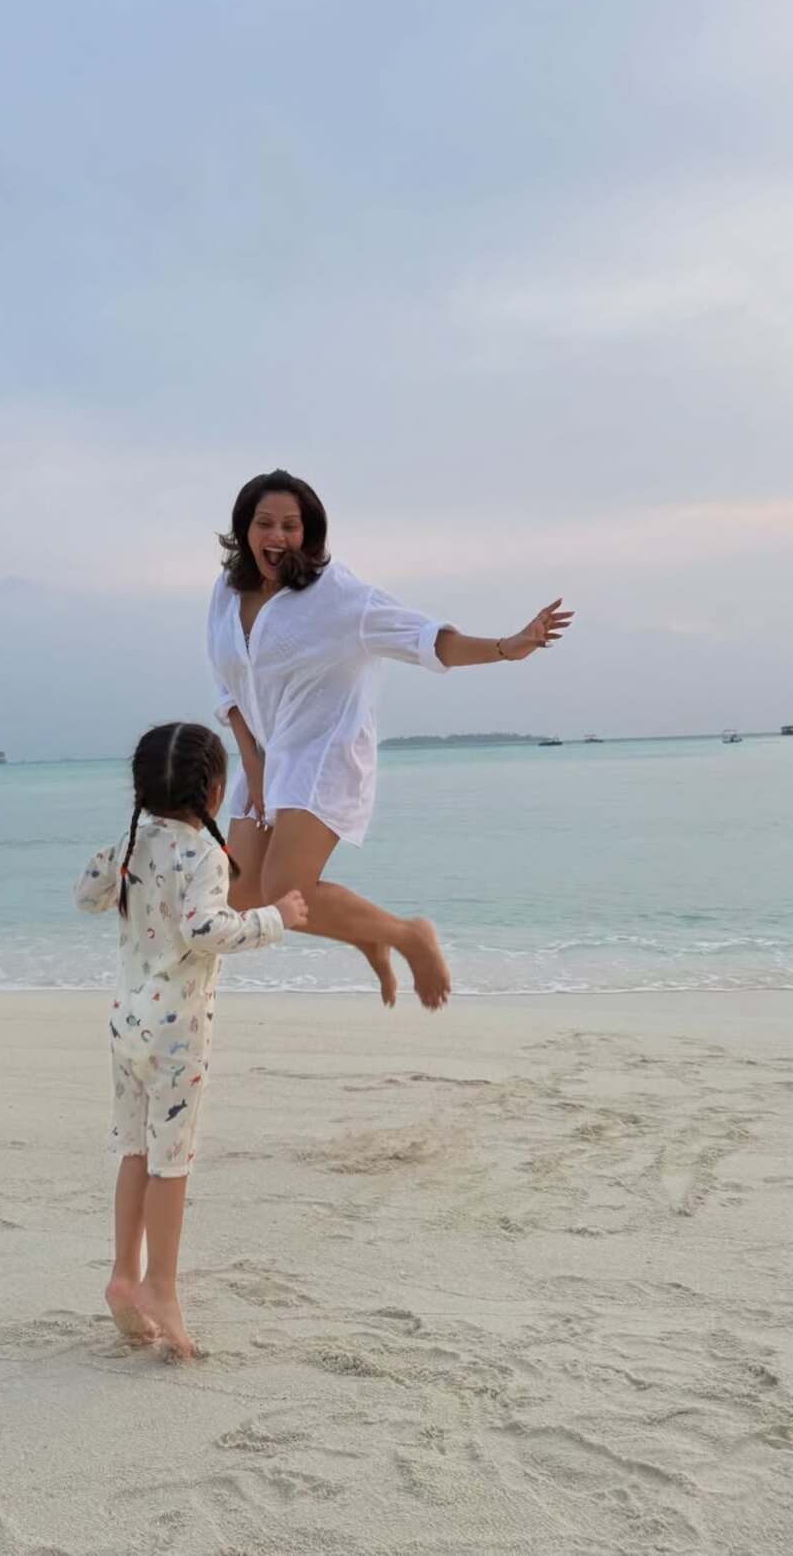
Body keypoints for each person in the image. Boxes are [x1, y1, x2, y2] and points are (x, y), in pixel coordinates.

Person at [208, 469, 573, 1010]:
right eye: (265, 524)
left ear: (309, 533)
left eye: (291, 526)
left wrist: (506, 646)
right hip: (264, 756)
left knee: (287, 890)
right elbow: (228, 685)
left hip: (322, 753)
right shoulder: (227, 591)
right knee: (239, 895)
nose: (277, 537)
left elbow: (425, 639)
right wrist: (254, 769)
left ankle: (408, 935)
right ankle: (367, 936)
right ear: (245, 529)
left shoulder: (338, 595)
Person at [76, 721, 307, 1358]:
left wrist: (116, 857)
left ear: (141, 790)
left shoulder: (133, 845)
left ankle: (123, 1275)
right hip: (177, 1035)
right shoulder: (202, 855)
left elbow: (86, 895)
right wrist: (275, 918)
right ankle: (160, 1286)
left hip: (126, 1025)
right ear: (214, 792)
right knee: (170, 1162)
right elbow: (207, 929)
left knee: (134, 1150)